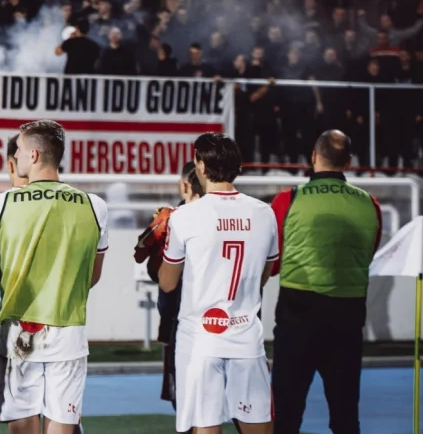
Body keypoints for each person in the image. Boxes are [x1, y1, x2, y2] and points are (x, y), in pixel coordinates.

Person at [0, 119, 109, 434]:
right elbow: (92, 277)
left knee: (22, 426)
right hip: (69, 333)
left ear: (35, 155)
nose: (17, 157)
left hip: (18, 334)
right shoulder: (95, 206)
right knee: (63, 426)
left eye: (20, 151)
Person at [158, 133, 277, 434]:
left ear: (199, 164)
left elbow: (168, 283)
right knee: (258, 425)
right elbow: (266, 273)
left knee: (205, 427)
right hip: (247, 335)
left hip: (199, 338)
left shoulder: (185, 216)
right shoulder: (265, 213)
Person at [270, 130, 381, 434]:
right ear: (347, 161)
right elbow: (366, 255)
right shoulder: (370, 204)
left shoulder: (287, 200)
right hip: (347, 320)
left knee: (285, 415)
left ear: (313, 157)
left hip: (297, 316)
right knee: (345, 418)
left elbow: (272, 263)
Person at [133, 161, 204, 409]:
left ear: (184, 184)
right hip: (223, 319)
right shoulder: (230, 216)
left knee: (185, 399)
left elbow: (142, 254)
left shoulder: (173, 219)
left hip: (181, 320)